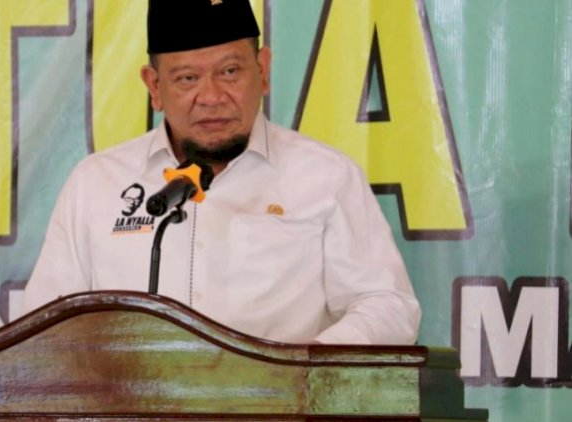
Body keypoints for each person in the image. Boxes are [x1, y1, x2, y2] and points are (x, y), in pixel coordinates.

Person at [24, 0, 421, 345]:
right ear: (154, 87)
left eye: (230, 71)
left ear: (263, 70)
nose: (212, 97)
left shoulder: (325, 177)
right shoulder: (96, 184)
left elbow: (389, 306)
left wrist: (298, 371)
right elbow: (41, 331)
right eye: (187, 79)